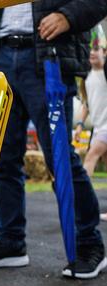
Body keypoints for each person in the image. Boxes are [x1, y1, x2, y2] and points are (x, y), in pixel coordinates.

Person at [0, 0, 107, 279]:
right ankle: (11, 241)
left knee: (59, 158)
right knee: (3, 157)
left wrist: (67, 16)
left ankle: (89, 244)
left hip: (46, 57)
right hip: (1, 59)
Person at [76, 30, 107, 186]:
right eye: (90, 50)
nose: (92, 53)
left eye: (96, 49)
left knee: (90, 157)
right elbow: (87, 104)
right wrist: (80, 125)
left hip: (106, 129)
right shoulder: (87, 77)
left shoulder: (104, 74)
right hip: (98, 128)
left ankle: (82, 196)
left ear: (105, 52)